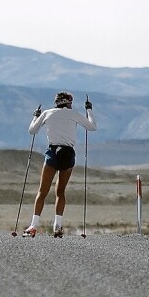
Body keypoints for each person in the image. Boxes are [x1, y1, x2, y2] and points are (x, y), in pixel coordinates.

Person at [22, 91, 97, 237]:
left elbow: (32, 131)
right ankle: (57, 226)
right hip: (68, 154)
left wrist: (35, 116)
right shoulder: (74, 114)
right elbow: (92, 127)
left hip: (53, 153)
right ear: (68, 102)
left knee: (42, 192)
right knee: (60, 192)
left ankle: (33, 226)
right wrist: (89, 110)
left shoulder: (47, 113)